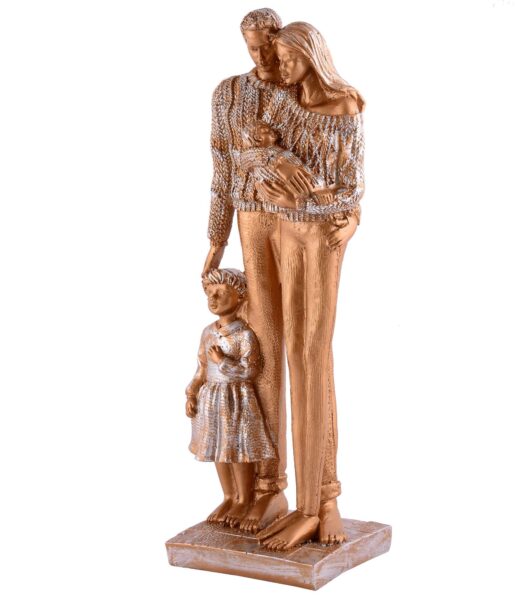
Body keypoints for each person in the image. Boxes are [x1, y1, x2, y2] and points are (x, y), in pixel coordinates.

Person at [250, 21, 365, 550]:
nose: (281, 68)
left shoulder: (344, 105)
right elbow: (254, 155)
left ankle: (316, 506)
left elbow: (352, 187)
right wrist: (271, 163)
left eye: (288, 59)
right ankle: (306, 503)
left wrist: (312, 201)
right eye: (277, 59)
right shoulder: (283, 101)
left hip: (320, 238)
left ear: (310, 55)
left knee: (311, 357)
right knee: (292, 353)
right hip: (283, 233)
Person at [203, 8, 296, 533]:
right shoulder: (228, 93)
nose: (260, 57)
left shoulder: (301, 86)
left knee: (296, 342)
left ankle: (285, 488)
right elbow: (221, 166)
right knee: (259, 341)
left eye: (266, 46)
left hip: (298, 218)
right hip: (249, 217)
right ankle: (261, 486)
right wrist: (216, 237)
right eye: (251, 47)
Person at [185, 268, 275, 527]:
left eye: (221, 293)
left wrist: (222, 361)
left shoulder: (244, 334)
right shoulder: (207, 332)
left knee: (236, 449)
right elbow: (202, 367)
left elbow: (250, 370)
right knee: (218, 448)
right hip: (211, 398)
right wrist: (192, 392)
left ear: (240, 297)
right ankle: (228, 496)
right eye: (210, 293)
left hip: (235, 398)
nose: (213, 298)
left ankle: (244, 498)